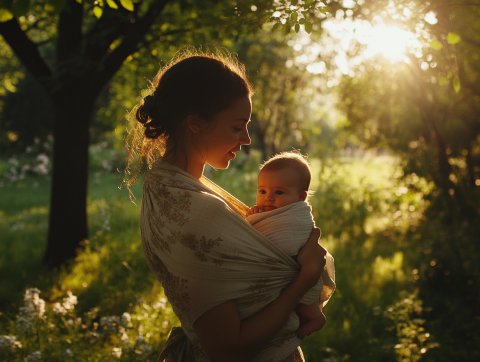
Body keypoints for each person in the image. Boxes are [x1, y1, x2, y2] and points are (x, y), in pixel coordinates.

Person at [124, 47, 335, 362]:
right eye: (237, 126)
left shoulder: (163, 188)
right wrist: (305, 277)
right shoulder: (199, 213)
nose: (247, 138)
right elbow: (227, 349)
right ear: (196, 123)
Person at [246, 151, 329, 340]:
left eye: (279, 192)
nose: (268, 198)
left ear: (301, 197)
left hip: (299, 271)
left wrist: (252, 222)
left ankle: (316, 319)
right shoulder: (270, 213)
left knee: (302, 301)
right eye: (262, 191)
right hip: (291, 273)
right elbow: (257, 231)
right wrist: (254, 219)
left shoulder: (296, 217)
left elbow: (277, 242)